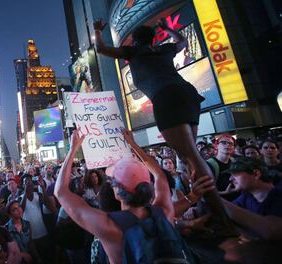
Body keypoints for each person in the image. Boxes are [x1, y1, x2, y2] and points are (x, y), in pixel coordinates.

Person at [93, 18, 235, 235]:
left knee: (193, 157)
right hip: (187, 94)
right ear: (153, 38)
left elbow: (101, 49)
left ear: (134, 41)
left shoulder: (133, 52)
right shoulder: (164, 49)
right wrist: (169, 29)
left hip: (166, 97)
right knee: (189, 157)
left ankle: (223, 222)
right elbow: (182, 41)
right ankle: (210, 211)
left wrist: (96, 30)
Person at [55, 129, 192, 263]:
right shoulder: (164, 212)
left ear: (117, 192)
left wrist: (73, 149)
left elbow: (60, 191)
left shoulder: (109, 227)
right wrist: (133, 144)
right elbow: (159, 174)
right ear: (148, 186)